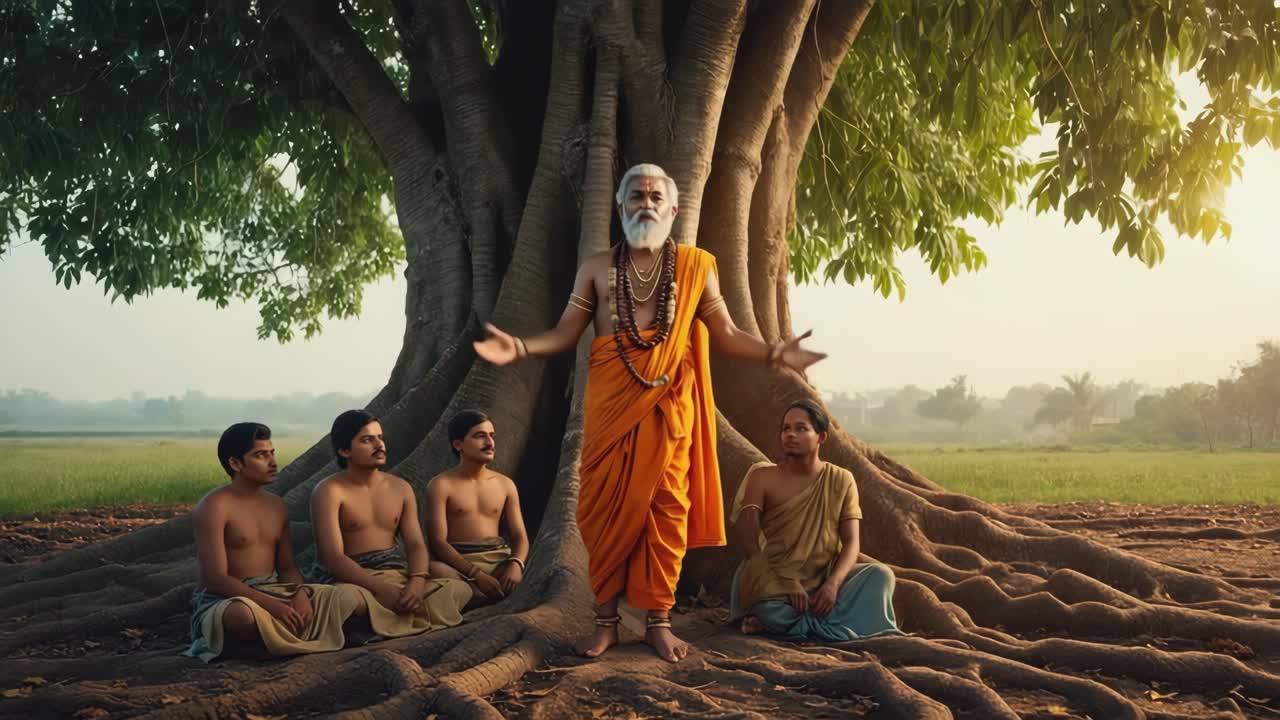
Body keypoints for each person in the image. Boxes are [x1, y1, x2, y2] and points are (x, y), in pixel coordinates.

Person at [474, 163, 825, 662]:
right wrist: (521, 347)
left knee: (666, 514)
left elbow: (726, 334)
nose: (646, 204)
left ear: (674, 209)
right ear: (620, 207)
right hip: (610, 412)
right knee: (602, 515)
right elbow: (567, 332)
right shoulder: (596, 268)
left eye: (656, 197)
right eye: (636, 196)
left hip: (668, 413)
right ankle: (606, 625)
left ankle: (659, 623)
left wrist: (775, 352)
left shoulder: (696, 266)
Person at [186, 422, 368, 662]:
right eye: (261, 455)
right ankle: (270, 642)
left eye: (272, 453)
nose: (272, 462)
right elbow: (215, 579)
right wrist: (273, 607)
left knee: (348, 598)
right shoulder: (214, 506)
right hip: (229, 598)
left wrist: (299, 594)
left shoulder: (276, 506)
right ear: (235, 463)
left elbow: (287, 568)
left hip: (275, 590)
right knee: (242, 616)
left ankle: (274, 641)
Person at [730, 400, 900, 641]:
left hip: (823, 576)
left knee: (881, 576)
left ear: (821, 437)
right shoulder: (762, 476)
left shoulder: (841, 479)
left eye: (801, 428)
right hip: (773, 573)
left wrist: (832, 585)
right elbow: (747, 538)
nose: (790, 434)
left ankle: (782, 624)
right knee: (769, 606)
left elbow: (851, 542)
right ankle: (812, 623)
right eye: (786, 428)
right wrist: (784, 581)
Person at [309, 410, 472, 636]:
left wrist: (416, 582)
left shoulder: (401, 488)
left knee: (459, 586)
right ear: (345, 450)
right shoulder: (329, 491)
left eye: (380, 437)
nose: (379, 445)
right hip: (353, 578)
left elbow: (415, 544)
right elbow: (332, 557)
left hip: (394, 571)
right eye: (367, 440)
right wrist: (381, 589)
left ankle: (396, 611)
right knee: (345, 601)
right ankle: (404, 614)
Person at [424, 410, 530, 606]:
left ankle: (477, 595)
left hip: (499, 561)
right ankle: (474, 594)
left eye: (491, 435)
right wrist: (476, 574)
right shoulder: (441, 485)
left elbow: (520, 537)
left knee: (531, 574)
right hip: (459, 565)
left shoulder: (505, 484)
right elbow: (437, 542)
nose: (490, 443)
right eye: (480, 436)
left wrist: (516, 564)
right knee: (432, 569)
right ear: (458, 444)